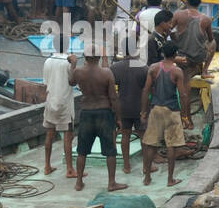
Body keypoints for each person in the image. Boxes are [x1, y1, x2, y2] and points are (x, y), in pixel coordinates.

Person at [70, 48, 127, 192]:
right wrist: (118, 118)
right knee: (110, 150)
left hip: (86, 113)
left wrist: (73, 64)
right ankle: (111, 183)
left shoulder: (78, 72)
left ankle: (78, 182)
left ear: (85, 57)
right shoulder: (106, 73)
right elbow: (113, 98)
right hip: (104, 113)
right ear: (99, 57)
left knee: (82, 150)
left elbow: (70, 82)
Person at [141, 42, 188, 187]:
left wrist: (143, 111)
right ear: (175, 55)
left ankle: (147, 178)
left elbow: (146, 90)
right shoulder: (177, 72)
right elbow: (183, 95)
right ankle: (170, 179)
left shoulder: (154, 68)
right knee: (171, 146)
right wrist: (185, 116)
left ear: (163, 54)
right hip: (172, 111)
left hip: (156, 109)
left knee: (150, 144)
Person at [170, 0, 215, 128]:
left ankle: (186, 118)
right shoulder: (205, 19)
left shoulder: (178, 15)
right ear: (200, 1)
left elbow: (170, 31)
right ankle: (205, 70)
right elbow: (210, 39)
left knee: (185, 89)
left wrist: (176, 39)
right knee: (214, 43)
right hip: (197, 58)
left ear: (186, 1)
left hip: (181, 57)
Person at [112, 53, 148, 174]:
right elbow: (147, 88)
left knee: (125, 135)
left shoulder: (116, 67)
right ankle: (146, 166)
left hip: (123, 106)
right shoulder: (143, 66)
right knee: (143, 136)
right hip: (139, 106)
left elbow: (112, 88)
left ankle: (127, 166)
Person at [43, 53, 77, 178]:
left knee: (49, 134)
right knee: (68, 136)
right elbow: (73, 82)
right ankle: (70, 169)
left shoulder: (48, 61)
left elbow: (45, 83)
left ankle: (47, 166)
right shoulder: (68, 62)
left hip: (50, 101)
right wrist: (74, 64)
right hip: (64, 103)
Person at [136, 0, 163, 64]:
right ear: (161, 0)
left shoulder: (140, 15)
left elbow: (134, 34)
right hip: (160, 54)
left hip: (142, 53)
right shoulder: (166, 15)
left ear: (147, 1)